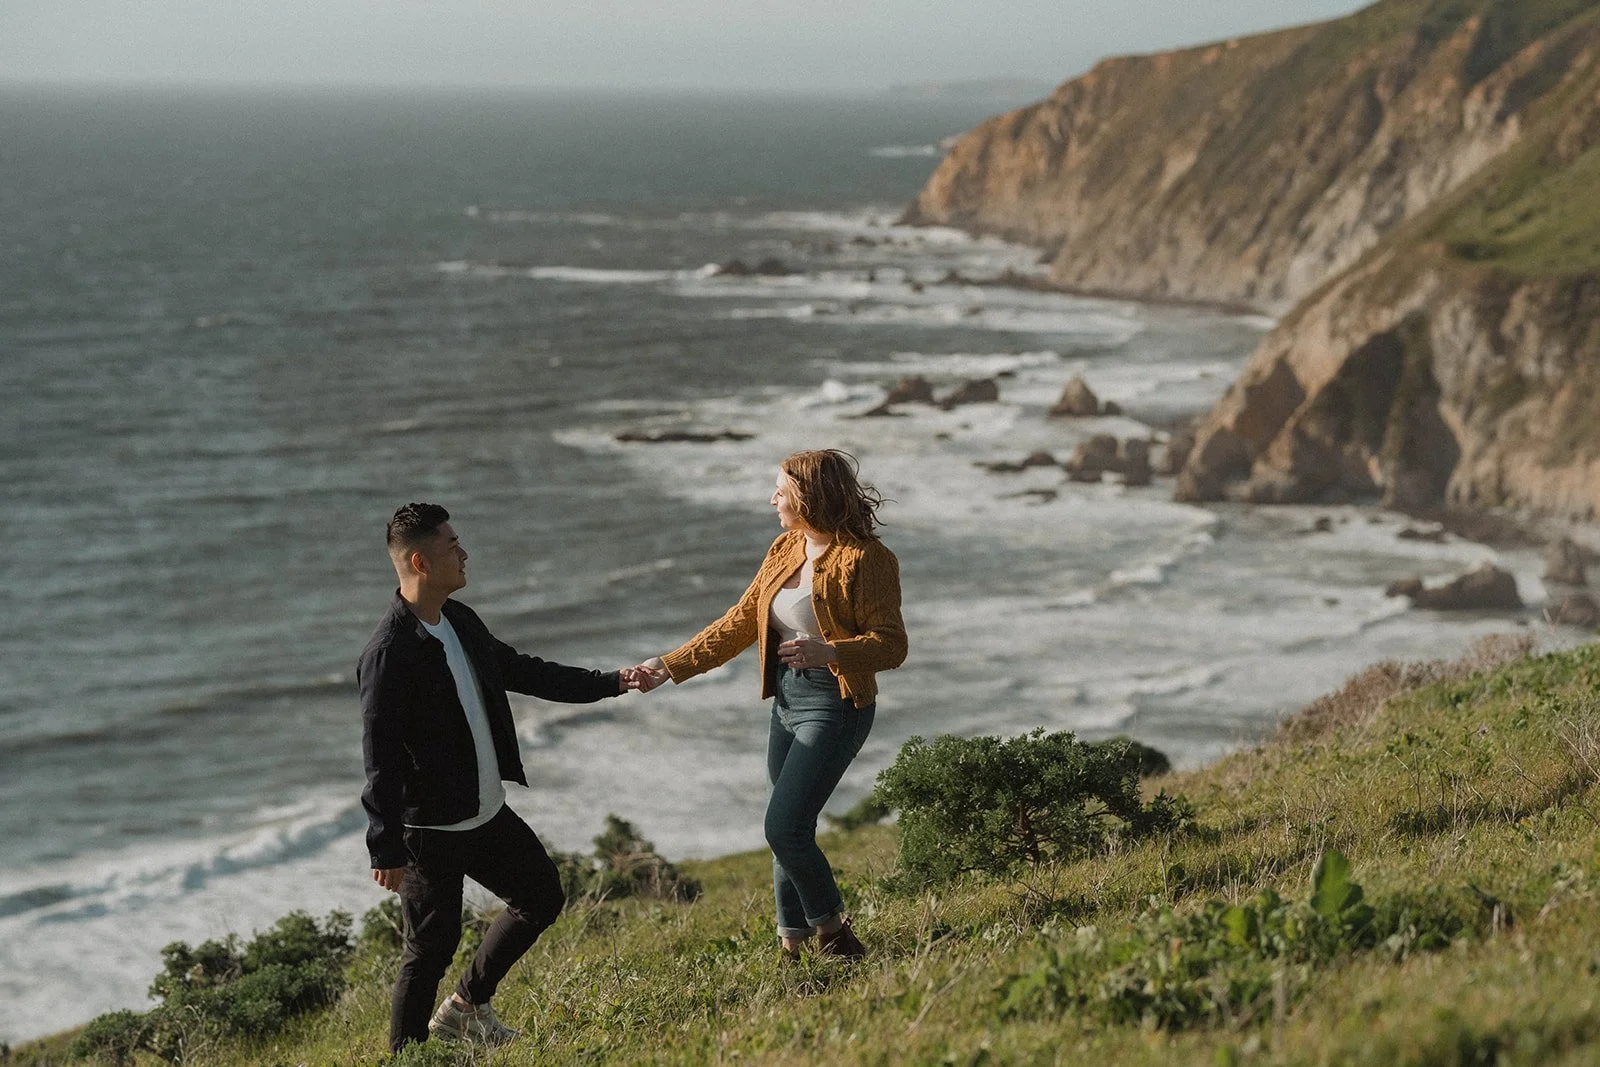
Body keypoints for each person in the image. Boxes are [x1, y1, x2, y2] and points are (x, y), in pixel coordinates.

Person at [359, 502, 644, 1051]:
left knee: (540, 895)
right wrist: (385, 846)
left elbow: (522, 670)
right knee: (428, 953)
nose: (464, 554)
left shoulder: (459, 621)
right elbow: (379, 755)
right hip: (433, 834)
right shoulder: (389, 653)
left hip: (486, 813)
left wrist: (612, 682)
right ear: (420, 561)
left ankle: (466, 1007)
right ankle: (407, 1060)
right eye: (452, 546)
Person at [633, 449, 906, 961]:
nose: (771, 499)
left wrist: (831, 652)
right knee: (788, 830)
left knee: (783, 827)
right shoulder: (785, 548)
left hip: (836, 703)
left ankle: (836, 936)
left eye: (779, 490)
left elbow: (892, 645)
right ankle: (791, 947)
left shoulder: (868, 560)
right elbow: (740, 621)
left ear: (807, 496)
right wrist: (670, 666)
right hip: (787, 699)